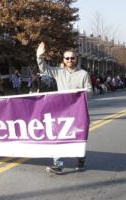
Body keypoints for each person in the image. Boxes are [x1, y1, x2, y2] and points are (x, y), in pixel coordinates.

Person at [36, 42, 92, 174]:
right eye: (67, 58)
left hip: (78, 112)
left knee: (78, 137)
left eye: (72, 58)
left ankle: (80, 160)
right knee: (59, 137)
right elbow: (44, 69)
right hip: (62, 112)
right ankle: (58, 164)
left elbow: (90, 90)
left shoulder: (83, 74)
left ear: (76, 59)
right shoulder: (58, 72)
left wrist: (82, 92)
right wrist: (39, 56)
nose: (69, 60)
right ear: (63, 60)